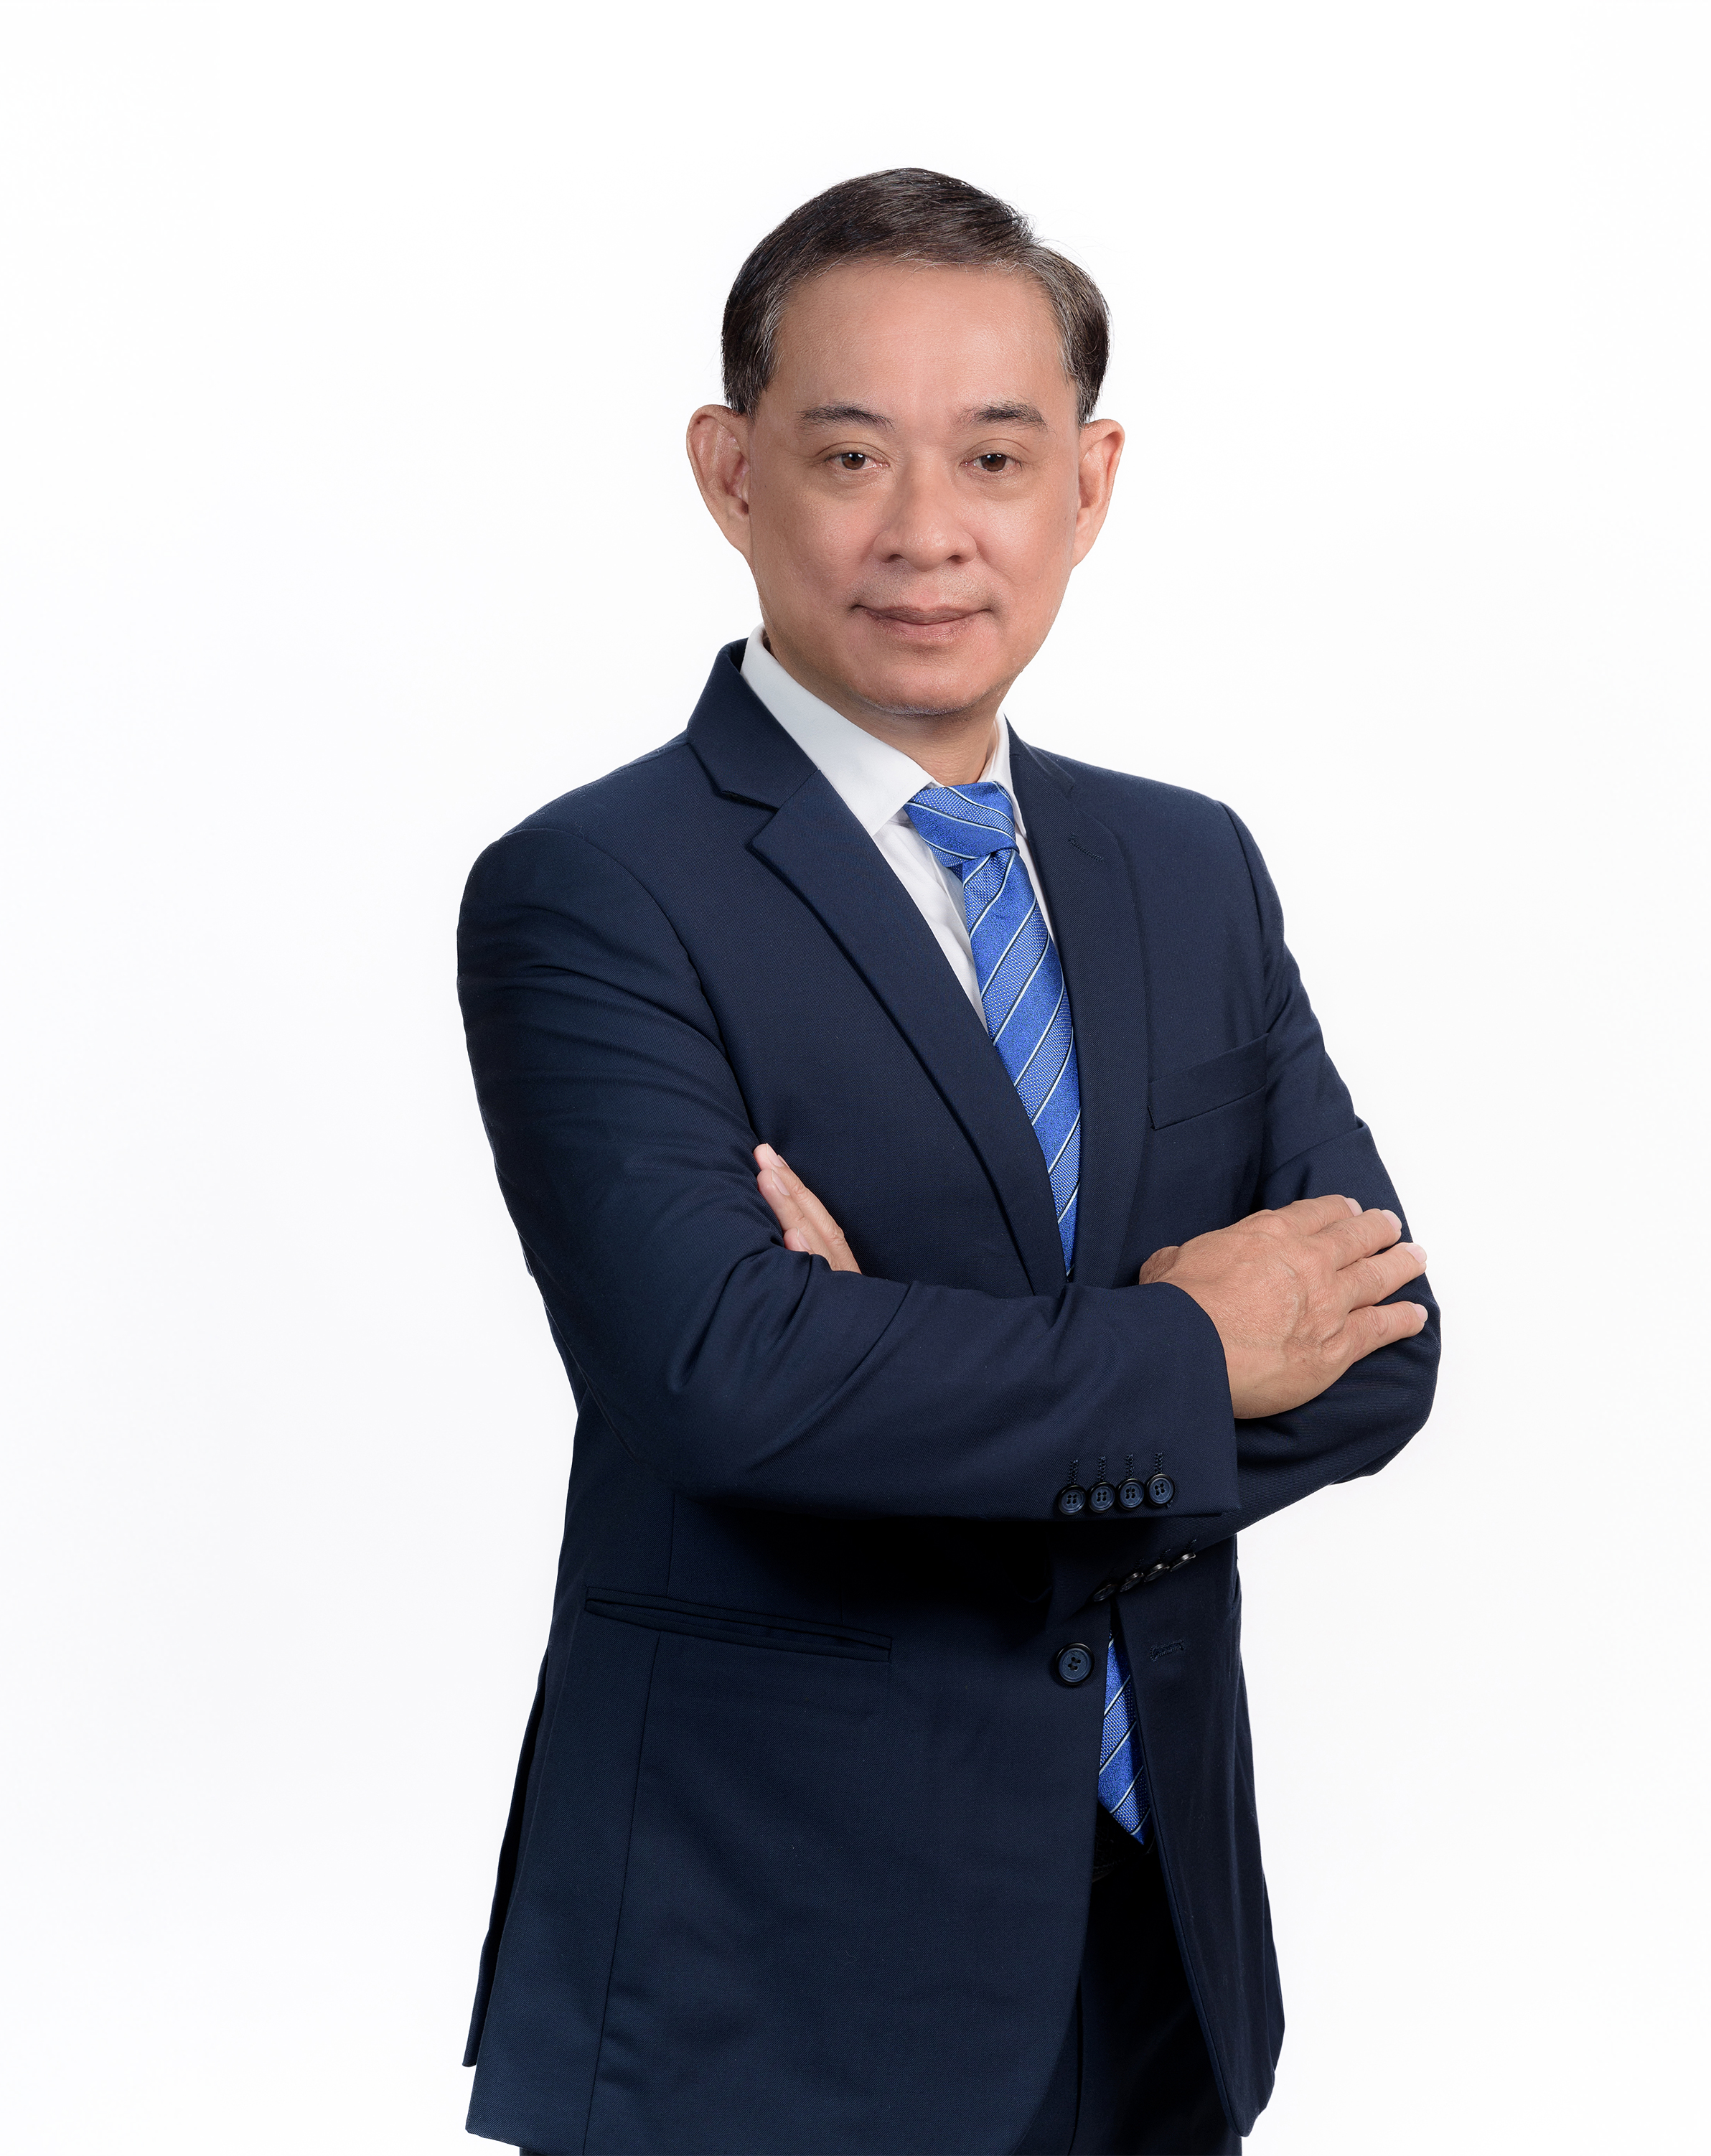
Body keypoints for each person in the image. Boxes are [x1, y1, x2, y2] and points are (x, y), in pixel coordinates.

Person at [454, 168, 1438, 2156]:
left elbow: (1377, 1352)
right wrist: (1185, 1346)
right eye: (849, 455)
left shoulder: (1187, 867)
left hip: (1149, 1939)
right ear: (731, 471)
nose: (926, 531)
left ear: (1088, 483)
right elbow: (722, 1379)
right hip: (763, 1963)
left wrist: (892, 1363)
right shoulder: (596, 891)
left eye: (994, 456)